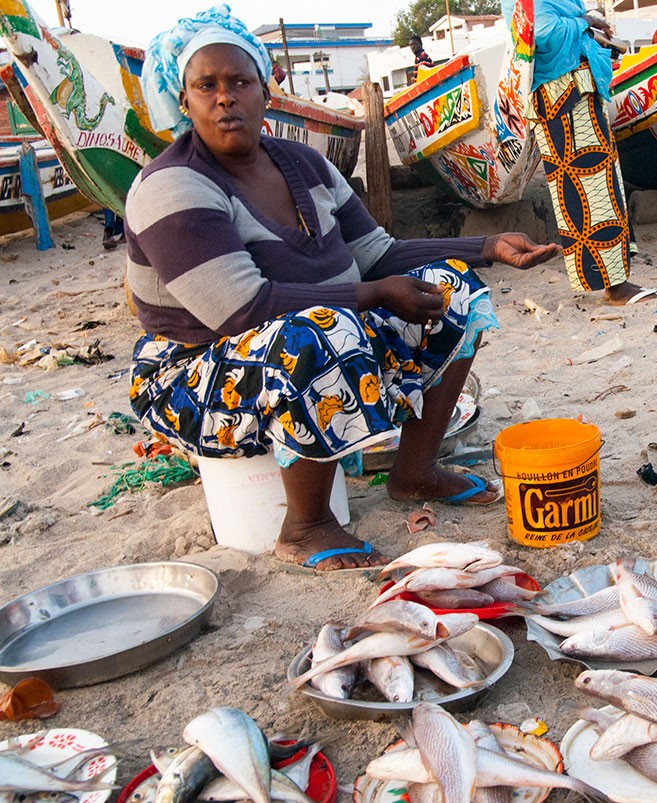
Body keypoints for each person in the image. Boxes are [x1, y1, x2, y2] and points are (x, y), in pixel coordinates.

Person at [130, 6, 561, 572]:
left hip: (299, 346)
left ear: (266, 89)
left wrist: (483, 248)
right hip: (191, 374)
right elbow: (244, 309)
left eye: (239, 81)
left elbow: (378, 254)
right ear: (182, 101)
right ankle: (305, 526)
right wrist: (376, 294)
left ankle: (415, 472)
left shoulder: (303, 163)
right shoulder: (172, 185)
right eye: (205, 85)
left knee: (453, 292)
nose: (225, 97)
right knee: (318, 333)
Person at [501, 0, 657, 305]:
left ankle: (616, 281)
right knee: (590, 195)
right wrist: (584, 22)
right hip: (563, 99)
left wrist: (587, 27)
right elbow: (544, 32)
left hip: (571, 95)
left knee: (601, 190)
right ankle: (615, 287)